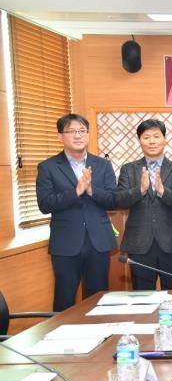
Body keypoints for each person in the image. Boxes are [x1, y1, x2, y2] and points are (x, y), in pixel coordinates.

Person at [36, 113, 118, 312]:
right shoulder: (48, 167)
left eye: (82, 131)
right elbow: (45, 204)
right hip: (66, 243)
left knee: (98, 299)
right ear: (60, 136)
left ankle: (100, 331)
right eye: (71, 131)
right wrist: (76, 192)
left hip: (98, 241)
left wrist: (90, 190)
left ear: (88, 135)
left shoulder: (103, 165)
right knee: (64, 299)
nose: (78, 135)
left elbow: (113, 200)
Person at [116, 119, 172, 289]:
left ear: (164, 139)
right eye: (146, 137)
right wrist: (140, 190)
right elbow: (120, 200)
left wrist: (163, 191)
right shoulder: (128, 169)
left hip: (171, 243)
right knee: (142, 297)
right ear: (139, 140)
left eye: (156, 136)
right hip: (139, 243)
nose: (152, 141)